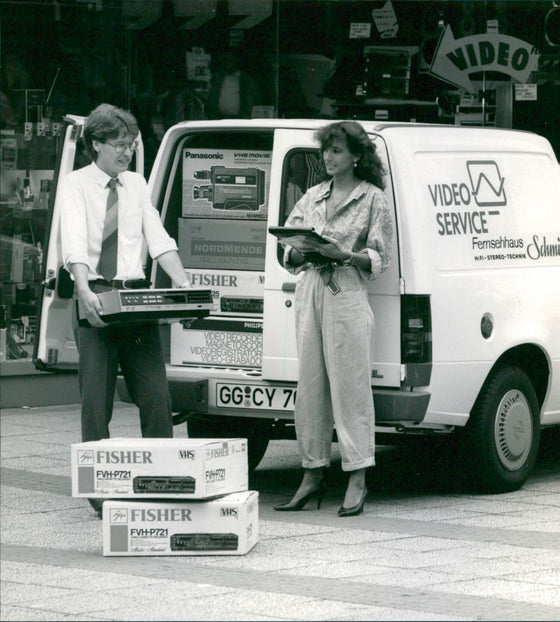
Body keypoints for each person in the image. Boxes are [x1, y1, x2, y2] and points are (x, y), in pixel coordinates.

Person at [57, 103, 191, 515]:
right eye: (118, 145)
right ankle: (100, 492)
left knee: (155, 395)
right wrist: (82, 288)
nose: (126, 152)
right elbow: (74, 241)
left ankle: (162, 478)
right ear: (95, 144)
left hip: (135, 299)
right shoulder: (75, 184)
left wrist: (184, 282)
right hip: (96, 294)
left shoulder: (135, 184)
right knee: (96, 401)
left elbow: (158, 236)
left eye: (131, 145)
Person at [274, 120, 394, 517]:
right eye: (326, 150)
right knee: (309, 385)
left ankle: (358, 474)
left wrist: (346, 255)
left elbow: (379, 257)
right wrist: (298, 251)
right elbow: (285, 245)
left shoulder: (373, 199)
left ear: (356, 156)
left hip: (346, 290)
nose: (329, 156)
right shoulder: (312, 195)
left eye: (338, 150)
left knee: (350, 386)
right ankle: (312, 471)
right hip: (311, 288)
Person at [205, 50, 260, 119]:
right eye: (225, 60)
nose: (227, 63)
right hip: (218, 120)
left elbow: (255, 101)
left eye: (230, 60)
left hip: (242, 120)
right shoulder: (216, 78)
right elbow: (209, 98)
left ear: (237, 61)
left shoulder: (247, 81)